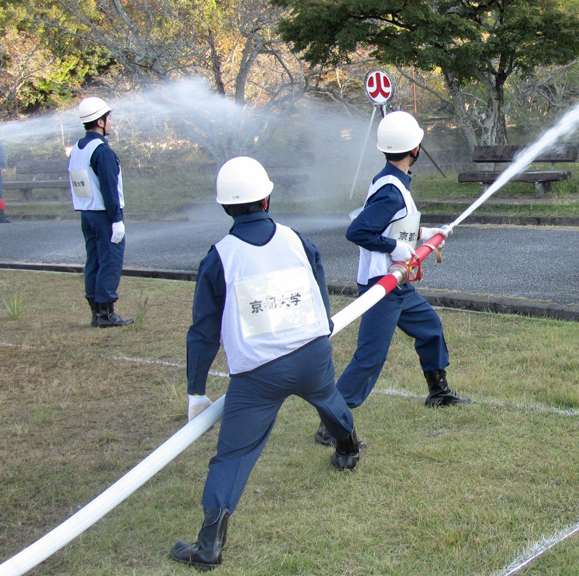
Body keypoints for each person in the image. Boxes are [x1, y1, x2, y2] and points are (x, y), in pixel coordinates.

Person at [171, 157, 360, 571]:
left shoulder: (219, 258)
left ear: (225, 207)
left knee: (234, 455)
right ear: (267, 198)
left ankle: (209, 545)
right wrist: (323, 323)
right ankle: (347, 448)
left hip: (257, 375)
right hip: (312, 354)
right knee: (327, 397)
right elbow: (317, 281)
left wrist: (196, 391)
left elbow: (203, 332)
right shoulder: (295, 239)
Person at [315, 110, 471, 447]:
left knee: (430, 328)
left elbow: (394, 225)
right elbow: (358, 231)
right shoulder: (390, 190)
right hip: (381, 287)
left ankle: (438, 392)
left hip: (399, 285)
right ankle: (332, 423)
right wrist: (395, 248)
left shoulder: (392, 181)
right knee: (370, 358)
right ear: (415, 149)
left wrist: (423, 234)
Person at [68, 96, 133, 328]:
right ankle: (106, 314)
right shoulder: (102, 151)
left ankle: (96, 312)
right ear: (100, 121)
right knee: (110, 262)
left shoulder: (77, 148)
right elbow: (109, 187)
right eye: (109, 118)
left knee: (94, 261)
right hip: (105, 215)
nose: (111, 122)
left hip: (87, 214)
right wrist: (116, 219)